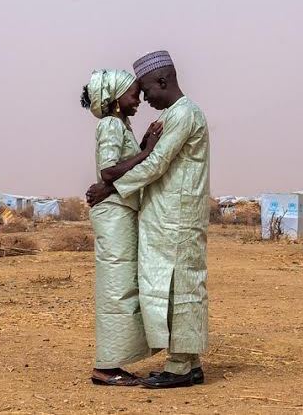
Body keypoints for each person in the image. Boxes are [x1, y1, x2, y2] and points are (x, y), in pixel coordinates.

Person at [86, 51, 210, 389]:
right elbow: (142, 158)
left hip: (177, 217)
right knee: (171, 288)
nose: (143, 98)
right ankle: (186, 362)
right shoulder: (172, 115)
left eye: (145, 90)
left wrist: (110, 188)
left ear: (163, 81)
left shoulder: (184, 114)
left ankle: (181, 365)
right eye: (135, 92)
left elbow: (156, 163)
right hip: (165, 217)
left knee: (180, 287)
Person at [81, 69, 162, 386]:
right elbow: (109, 171)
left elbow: (116, 171)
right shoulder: (112, 124)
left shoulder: (119, 125)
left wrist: (141, 144)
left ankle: (113, 362)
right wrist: (146, 151)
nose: (138, 98)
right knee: (117, 289)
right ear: (115, 99)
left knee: (123, 286)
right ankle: (106, 367)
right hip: (114, 215)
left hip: (120, 212)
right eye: (132, 93)